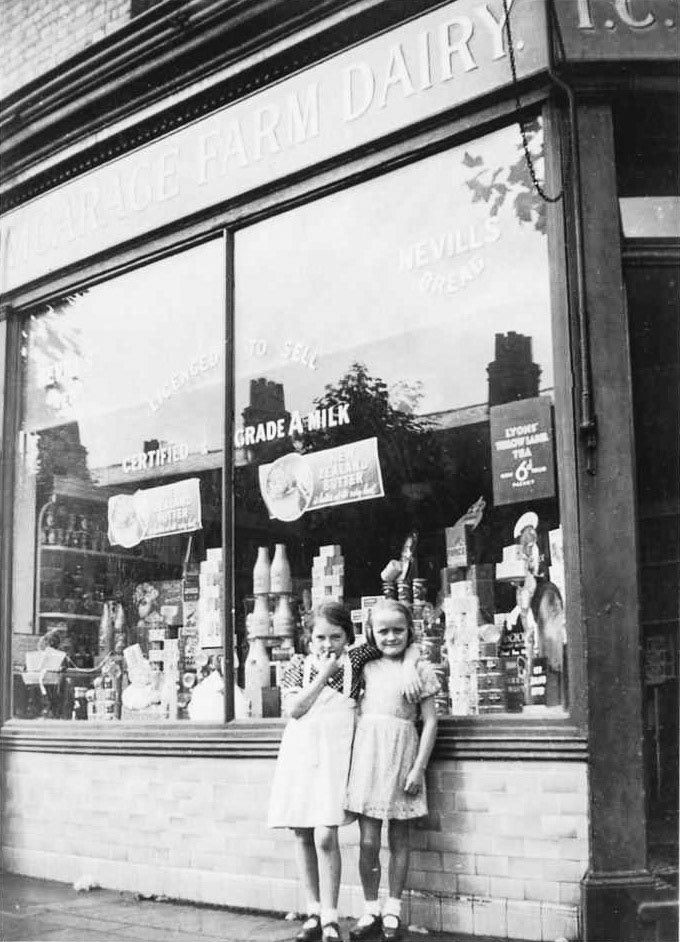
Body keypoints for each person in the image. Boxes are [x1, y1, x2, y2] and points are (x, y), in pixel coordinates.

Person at [267, 601, 422, 942]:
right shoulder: (298, 667)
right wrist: (324, 672)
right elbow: (295, 708)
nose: (327, 644)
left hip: (336, 756)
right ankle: (313, 911)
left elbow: (394, 640)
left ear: (347, 637)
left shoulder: (355, 660)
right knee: (302, 833)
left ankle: (331, 916)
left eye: (335, 637)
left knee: (325, 833)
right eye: (320, 637)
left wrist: (411, 664)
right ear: (309, 639)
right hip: (303, 753)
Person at [345, 599, 439, 942]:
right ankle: (370, 907)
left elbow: (429, 722)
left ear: (409, 631)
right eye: (382, 630)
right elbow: (348, 653)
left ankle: (393, 909)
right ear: (371, 632)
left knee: (399, 837)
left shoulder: (420, 669)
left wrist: (418, 768)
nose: (390, 636)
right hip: (369, 757)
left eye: (398, 630)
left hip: (402, 756)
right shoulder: (364, 665)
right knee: (368, 841)